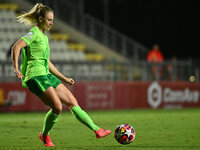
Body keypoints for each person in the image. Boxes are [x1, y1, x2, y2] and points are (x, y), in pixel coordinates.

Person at [11, 3, 111, 147]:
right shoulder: (33, 33)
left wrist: (63, 78)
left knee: (72, 101)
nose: (51, 22)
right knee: (57, 107)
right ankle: (44, 135)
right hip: (35, 76)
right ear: (40, 19)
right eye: (49, 19)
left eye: (52, 20)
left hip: (46, 74)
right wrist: (16, 68)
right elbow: (17, 47)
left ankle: (97, 130)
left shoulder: (44, 38)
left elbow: (47, 62)